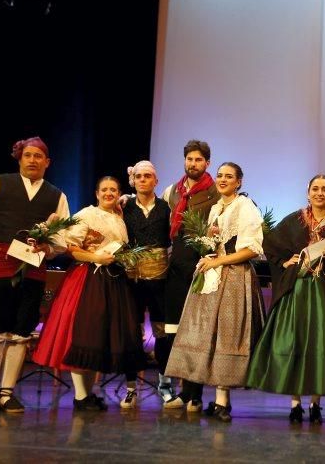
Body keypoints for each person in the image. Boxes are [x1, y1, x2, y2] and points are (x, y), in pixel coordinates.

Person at [0, 137, 69, 414]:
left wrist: (48, 246)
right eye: (28, 155)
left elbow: (64, 235)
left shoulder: (57, 195)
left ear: (47, 162)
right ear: (20, 159)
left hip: (33, 268)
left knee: (21, 330)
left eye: (38, 156)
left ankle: (7, 393)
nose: (32, 160)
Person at [247, 174, 325, 424]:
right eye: (315, 189)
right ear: (308, 193)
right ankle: (295, 404)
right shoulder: (294, 220)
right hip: (297, 291)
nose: (319, 193)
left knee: (320, 345)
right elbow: (270, 244)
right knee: (294, 343)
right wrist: (284, 262)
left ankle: (315, 403)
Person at [33, 176, 145, 411]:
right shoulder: (87, 214)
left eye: (113, 190)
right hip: (88, 279)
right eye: (104, 189)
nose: (108, 193)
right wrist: (95, 257)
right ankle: (81, 396)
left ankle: (88, 393)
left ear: (119, 193)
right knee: (84, 334)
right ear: (96, 193)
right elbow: (71, 248)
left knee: (97, 337)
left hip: (113, 281)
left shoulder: (119, 219)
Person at [165, 162, 266, 422]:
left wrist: (218, 261)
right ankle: (200, 396)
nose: (222, 180)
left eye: (229, 176)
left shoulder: (245, 207)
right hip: (213, 273)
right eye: (220, 175)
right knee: (204, 334)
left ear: (239, 182)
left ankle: (223, 402)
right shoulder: (216, 208)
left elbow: (252, 249)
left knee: (228, 335)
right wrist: (209, 247)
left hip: (234, 276)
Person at [159, 140, 219, 407]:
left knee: (197, 330)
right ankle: (181, 388)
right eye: (189, 159)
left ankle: (195, 392)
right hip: (175, 267)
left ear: (207, 163)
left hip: (201, 265)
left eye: (198, 159)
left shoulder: (217, 192)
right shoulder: (173, 191)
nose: (193, 163)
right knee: (175, 330)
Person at [119, 160, 171, 408]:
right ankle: (130, 388)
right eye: (138, 176)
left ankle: (165, 385)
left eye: (147, 176)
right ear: (133, 180)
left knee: (162, 332)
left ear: (155, 181)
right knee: (132, 332)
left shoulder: (166, 207)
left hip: (160, 278)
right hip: (132, 279)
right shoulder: (124, 207)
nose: (143, 180)